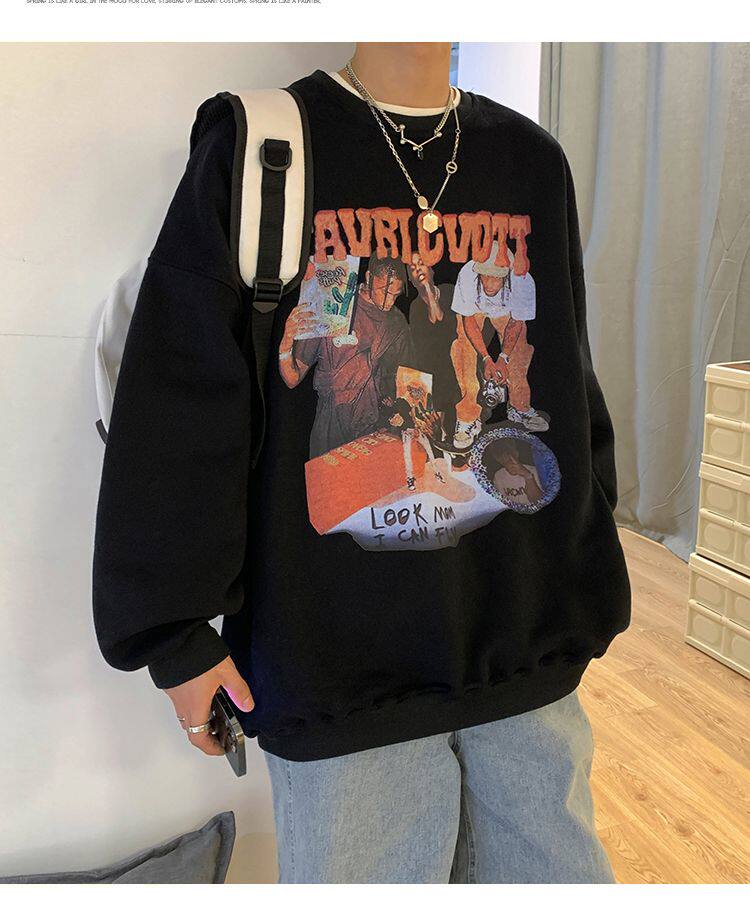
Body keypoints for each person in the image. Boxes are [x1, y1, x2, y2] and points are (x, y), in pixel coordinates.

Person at [92, 42, 631, 883]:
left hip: (524, 647)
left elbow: (568, 375)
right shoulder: (263, 149)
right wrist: (174, 632)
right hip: (338, 663)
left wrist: (584, 554)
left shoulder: (533, 162)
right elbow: (182, 397)